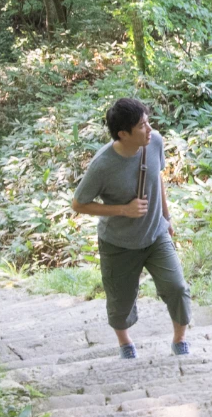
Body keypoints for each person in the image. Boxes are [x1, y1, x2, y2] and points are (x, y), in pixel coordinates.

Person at [72, 97, 192, 359]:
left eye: (148, 122)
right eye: (142, 126)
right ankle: (125, 343)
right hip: (118, 243)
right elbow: (79, 204)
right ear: (123, 133)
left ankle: (180, 340)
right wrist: (123, 210)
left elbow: (157, 177)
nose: (149, 130)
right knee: (120, 302)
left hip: (155, 233)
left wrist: (167, 218)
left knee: (177, 287)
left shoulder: (154, 142)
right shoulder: (103, 165)